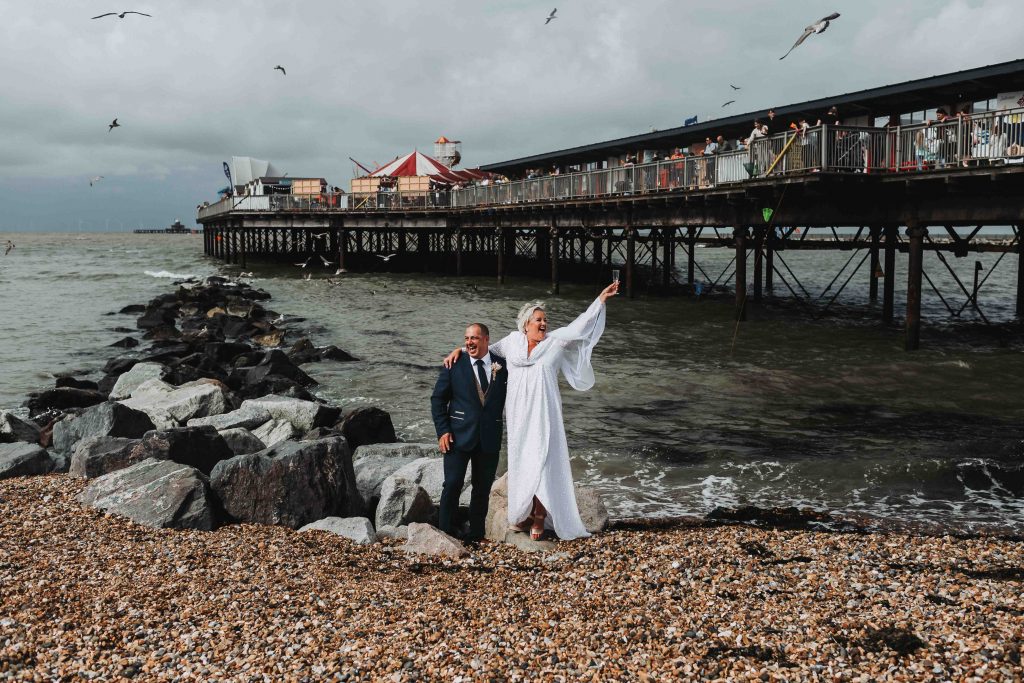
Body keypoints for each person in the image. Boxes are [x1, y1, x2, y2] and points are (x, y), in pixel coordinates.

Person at [443, 282, 619, 541]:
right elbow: (483, 352)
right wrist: (459, 349)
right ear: (526, 324)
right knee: (523, 463)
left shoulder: (556, 343)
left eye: (545, 319)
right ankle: (524, 513)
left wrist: (600, 300)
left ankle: (539, 516)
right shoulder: (512, 343)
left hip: (544, 415)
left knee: (543, 462)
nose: (544, 323)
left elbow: (581, 326)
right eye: (538, 319)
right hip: (517, 417)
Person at [430, 323, 508, 542]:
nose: (469, 342)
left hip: (489, 436)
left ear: (486, 340)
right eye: (466, 338)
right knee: (452, 484)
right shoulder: (454, 364)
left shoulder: (502, 365)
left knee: (482, 489)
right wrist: (443, 431)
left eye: (474, 338)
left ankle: (476, 534)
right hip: (457, 435)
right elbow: (438, 400)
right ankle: (444, 533)